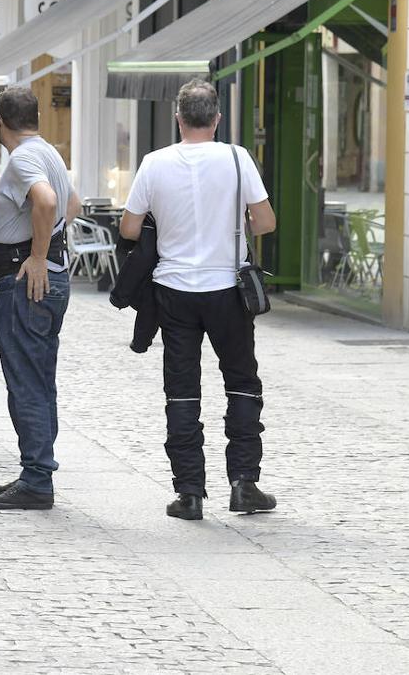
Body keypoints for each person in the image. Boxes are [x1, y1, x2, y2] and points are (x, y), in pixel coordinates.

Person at [119, 79, 277, 522]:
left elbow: (130, 230)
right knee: (242, 381)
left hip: (174, 291)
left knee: (182, 391)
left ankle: (189, 493)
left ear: (178, 118)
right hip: (228, 289)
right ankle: (244, 483)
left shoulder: (154, 163)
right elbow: (264, 222)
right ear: (217, 118)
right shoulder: (236, 157)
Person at [0, 86, 79, 511]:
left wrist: (37, 256)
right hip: (45, 276)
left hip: (28, 280)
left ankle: (37, 479)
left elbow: (50, 201)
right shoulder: (48, 151)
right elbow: (71, 205)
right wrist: (49, 245)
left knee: (27, 382)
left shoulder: (22, 157)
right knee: (38, 379)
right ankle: (34, 471)